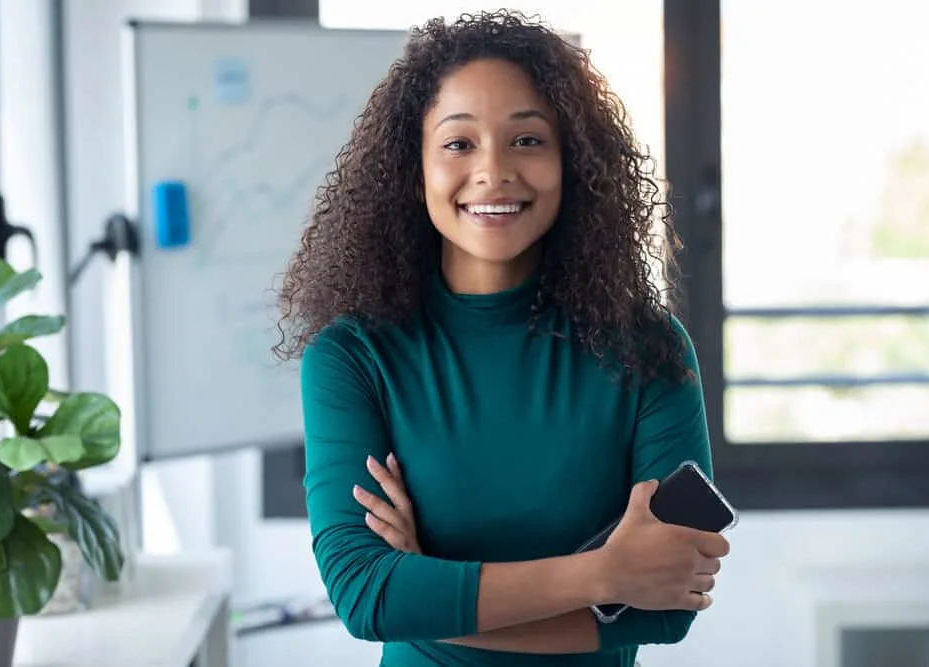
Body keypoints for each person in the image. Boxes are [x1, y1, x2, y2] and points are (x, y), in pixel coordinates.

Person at [274, 9, 731, 667]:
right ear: (415, 167)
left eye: (527, 140)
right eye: (459, 143)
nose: (493, 172)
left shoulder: (650, 347)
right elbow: (367, 596)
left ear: (573, 159)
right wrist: (604, 575)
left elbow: (662, 610)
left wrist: (429, 585)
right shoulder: (353, 358)